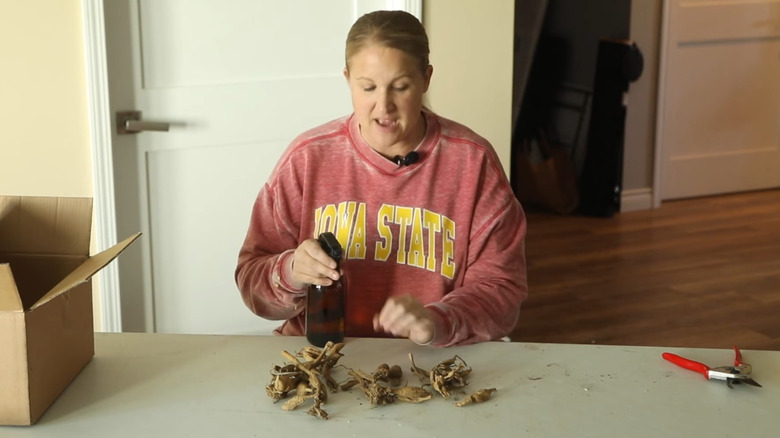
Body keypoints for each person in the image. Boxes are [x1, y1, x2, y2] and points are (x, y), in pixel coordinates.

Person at [235, 10, 527, 347]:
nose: (383, 107)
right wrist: (290, 272)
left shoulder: (473, 163)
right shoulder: (306, 158)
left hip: (428, 361)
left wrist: (438, 320)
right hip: (320, 358)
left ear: (426, 79)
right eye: (368, 87)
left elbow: (502, 293)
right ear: (348, 79)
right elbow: (251, 283)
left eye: (400, 87)